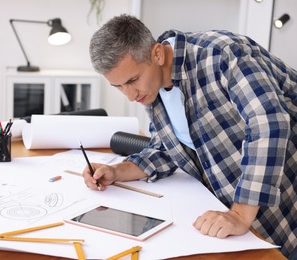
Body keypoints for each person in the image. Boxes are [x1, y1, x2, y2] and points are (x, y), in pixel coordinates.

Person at [82, 14, 297, 258]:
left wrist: (240, 214)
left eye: (133, 80)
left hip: (287, 204)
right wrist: (117, 172)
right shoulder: (153, 88)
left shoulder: (224, 54)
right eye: (119, 87)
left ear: (157, 54)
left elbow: (269, 124)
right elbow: (168, 149)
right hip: (246, 225)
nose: (130, 96)